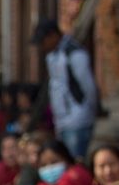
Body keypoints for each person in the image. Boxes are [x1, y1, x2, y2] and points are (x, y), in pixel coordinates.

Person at [33, 18, 98, 160]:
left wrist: (89, 111)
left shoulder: (74, 53)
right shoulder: (53, 56)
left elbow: (88, 86)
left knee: (74, 161)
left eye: (43, 41)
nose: (42, 46)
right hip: (62, 121)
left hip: (78, 119)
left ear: (53, 35)